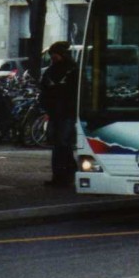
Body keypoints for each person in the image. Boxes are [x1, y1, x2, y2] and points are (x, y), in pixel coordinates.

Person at [39, 41, 78, 188]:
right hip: (58, 112)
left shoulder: (70, 71)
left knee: (61, 142)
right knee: (59, 143)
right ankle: (64, 173)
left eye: (54, 55)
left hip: (64, 112)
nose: (53, 58)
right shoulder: (67, 71)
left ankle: (63, 174)